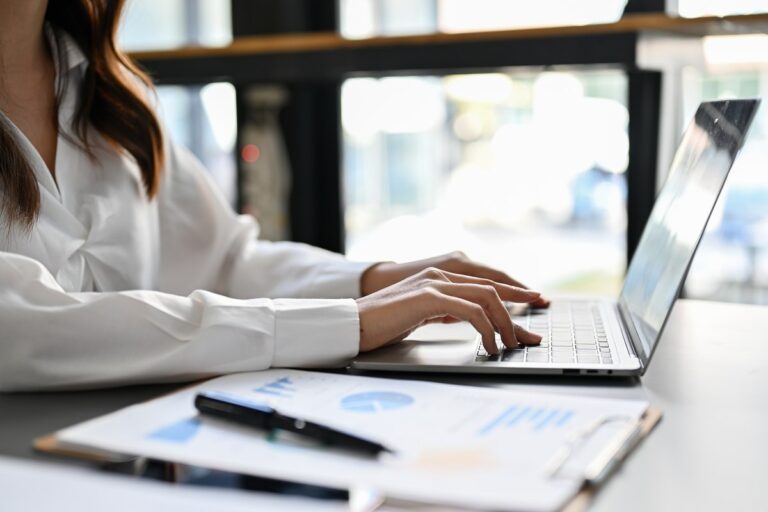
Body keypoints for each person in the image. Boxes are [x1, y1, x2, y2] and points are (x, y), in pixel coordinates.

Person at [0, 0, 546, 392]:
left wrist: (378, 281)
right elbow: (25, 326)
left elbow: (226, 261)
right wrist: (347, 322)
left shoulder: (116, 99)